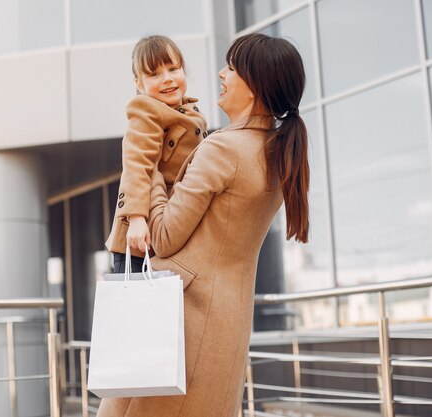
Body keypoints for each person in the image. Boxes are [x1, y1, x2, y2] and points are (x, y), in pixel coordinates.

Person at [97, 33, 310, 417]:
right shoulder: (278, 155)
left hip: (183, 323)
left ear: (254, 83)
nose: (221, 73)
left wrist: (155, 175)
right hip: (226, 322)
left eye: (232, 67)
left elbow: (162, 238)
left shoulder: (223, 148)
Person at [105, 35, 208, 273]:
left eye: (173, 68)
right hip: (141, 236)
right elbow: (137, 163)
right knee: (141, 307)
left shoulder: (188, 111)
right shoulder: (146, 109)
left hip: (168, 226)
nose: (167, 79)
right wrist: (137, 218)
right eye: (154, 74)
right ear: (138, 83)